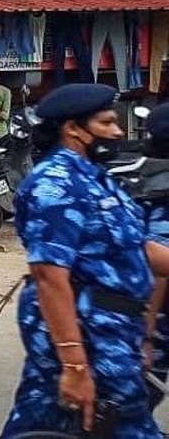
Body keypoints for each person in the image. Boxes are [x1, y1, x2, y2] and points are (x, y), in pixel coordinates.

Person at [1, 83, 169, 437]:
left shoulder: (95, 177)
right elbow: (49, 276)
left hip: (113, 328)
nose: (118, 131)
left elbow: (135, 248)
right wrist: (75, 364)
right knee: (128, 425)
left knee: (47, 422)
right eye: (107, 123)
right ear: (73, 129)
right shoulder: (55, 184)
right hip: (88, 329)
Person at [140, 103, 169, 410]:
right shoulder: (161, 190)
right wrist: (146, 337)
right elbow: (157, 269)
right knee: (146, 392)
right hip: (158, 317)